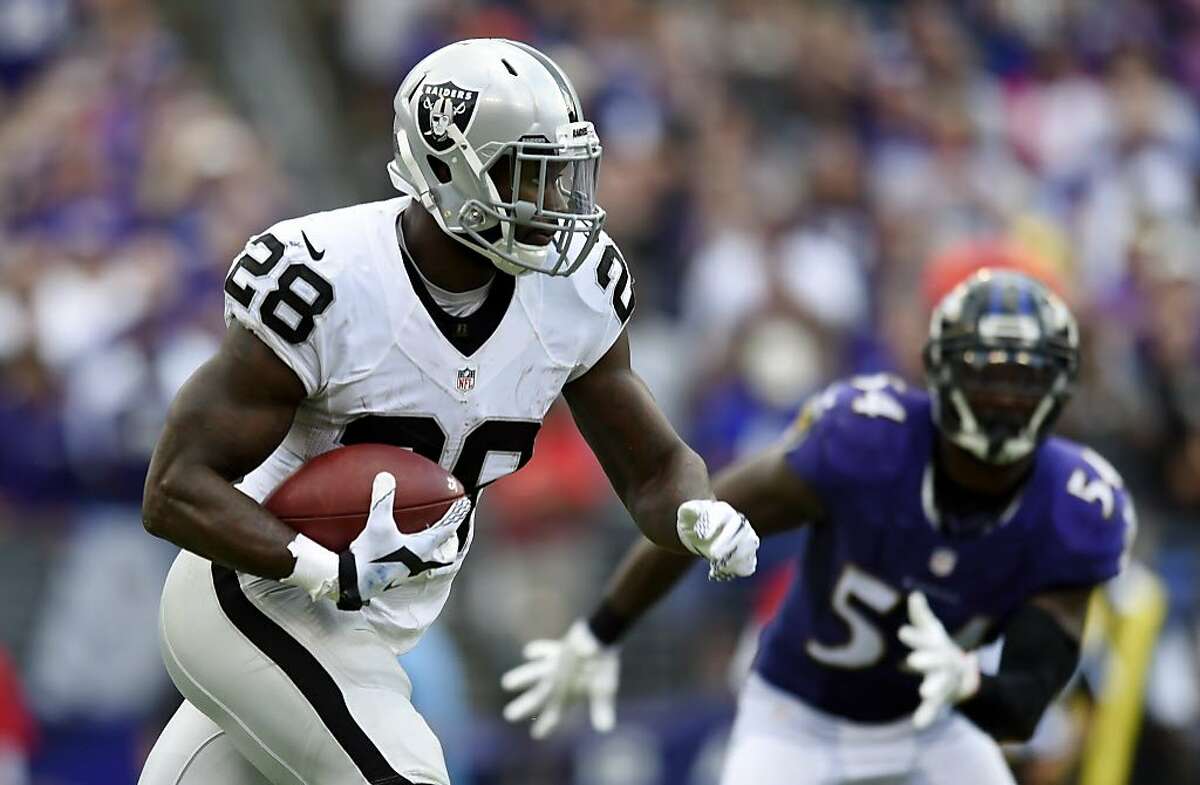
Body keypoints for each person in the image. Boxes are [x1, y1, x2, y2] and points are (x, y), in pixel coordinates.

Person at [136, 39, 759, 785]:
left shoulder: (575, 291)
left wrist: (697, 510)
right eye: (529, 174)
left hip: (370, 618)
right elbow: (174, 486)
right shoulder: (329, 279)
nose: (558, 202)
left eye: (562, 175)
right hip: (254, 588)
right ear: (450, 169)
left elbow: (655, 469)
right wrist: (319, 565)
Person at [503, 270, 1136, 785]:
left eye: (1023, 381)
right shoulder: (867, 437)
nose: (1004, 400)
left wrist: (968, 682)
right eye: (987, 376)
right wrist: (599, 632)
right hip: (798, 715)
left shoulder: (1077, 506)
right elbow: (703, 518)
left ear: (1060, 385)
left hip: (935, 725)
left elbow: (1023, 704)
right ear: (944, 370)